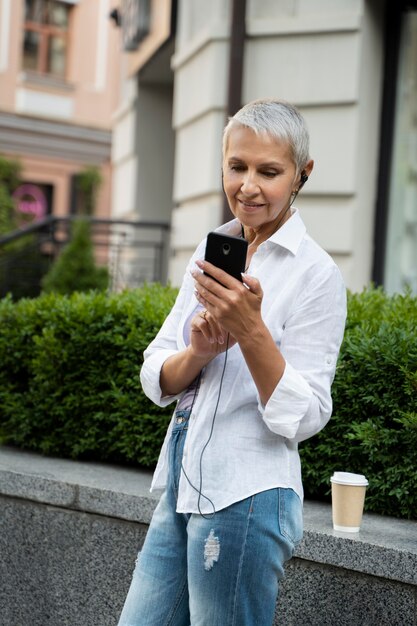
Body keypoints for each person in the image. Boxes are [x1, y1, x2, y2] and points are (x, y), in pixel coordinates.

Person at [117, 98, 347, 626]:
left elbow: (305, 416)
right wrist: (199, 350)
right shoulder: (213, 247)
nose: (248, 186)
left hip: (247, 497)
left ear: (301, 175)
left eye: (269, 171)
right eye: (237, 167)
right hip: (182, 485)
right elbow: (157, 375)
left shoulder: (316, 274)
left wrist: (249, 329)